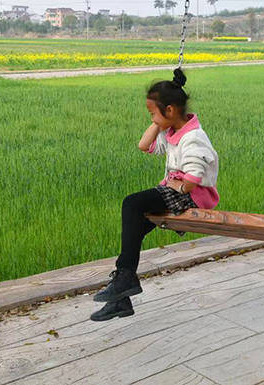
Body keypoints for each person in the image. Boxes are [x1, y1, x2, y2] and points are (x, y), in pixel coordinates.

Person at [91, 68, 219, 321]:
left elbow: (193, 178)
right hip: (177, 191)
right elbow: (144, 145)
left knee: (132, 203)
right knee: (134, 228)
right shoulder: (173, 132)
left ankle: (124, 281)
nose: (151, 118)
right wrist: (157, 121)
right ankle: (122, 296)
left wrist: (175, 186)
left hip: (192, 197)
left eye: (152, 112)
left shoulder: (193, 137)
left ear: (170, 110)